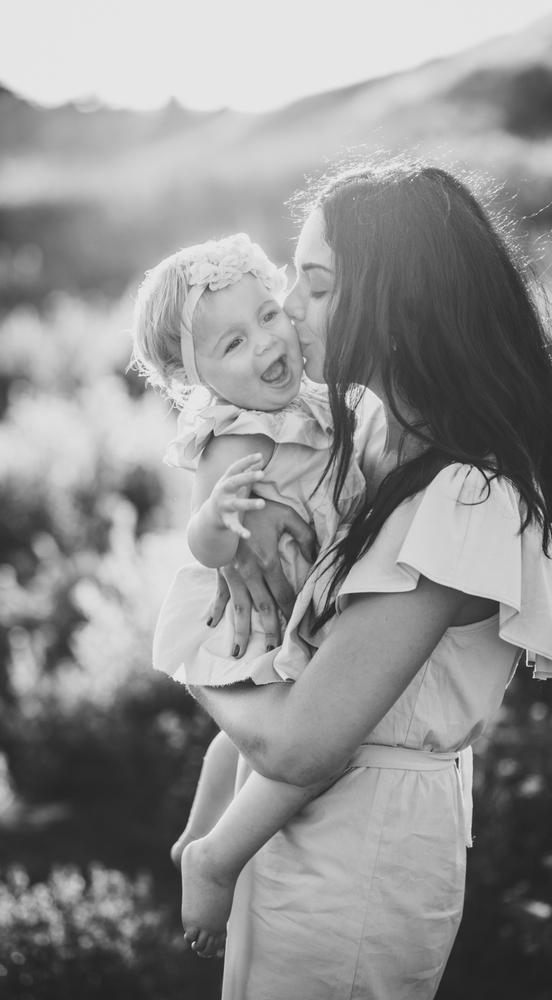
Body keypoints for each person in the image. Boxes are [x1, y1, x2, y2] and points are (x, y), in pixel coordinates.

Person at [189, 159, 552, 999]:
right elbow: (220, 406)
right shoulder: (370, 430)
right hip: (289, 826)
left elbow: (303, 738)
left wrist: (194, 659)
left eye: (316, 286)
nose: (289, 313)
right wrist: (238, 514)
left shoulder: (470, 495)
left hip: (363, 859)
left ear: (400, 308)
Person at [130, 232, 385, 959]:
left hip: (309, 599)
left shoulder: (316, 402)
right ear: (196, 377)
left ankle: (193, 836)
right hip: (271, 620)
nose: (268, 343)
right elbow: (205, 549)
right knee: (310, 746)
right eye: (234, 344)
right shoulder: (231, 435)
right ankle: (218, 856)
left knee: (232, 742)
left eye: (270, 315)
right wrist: (219, 521)